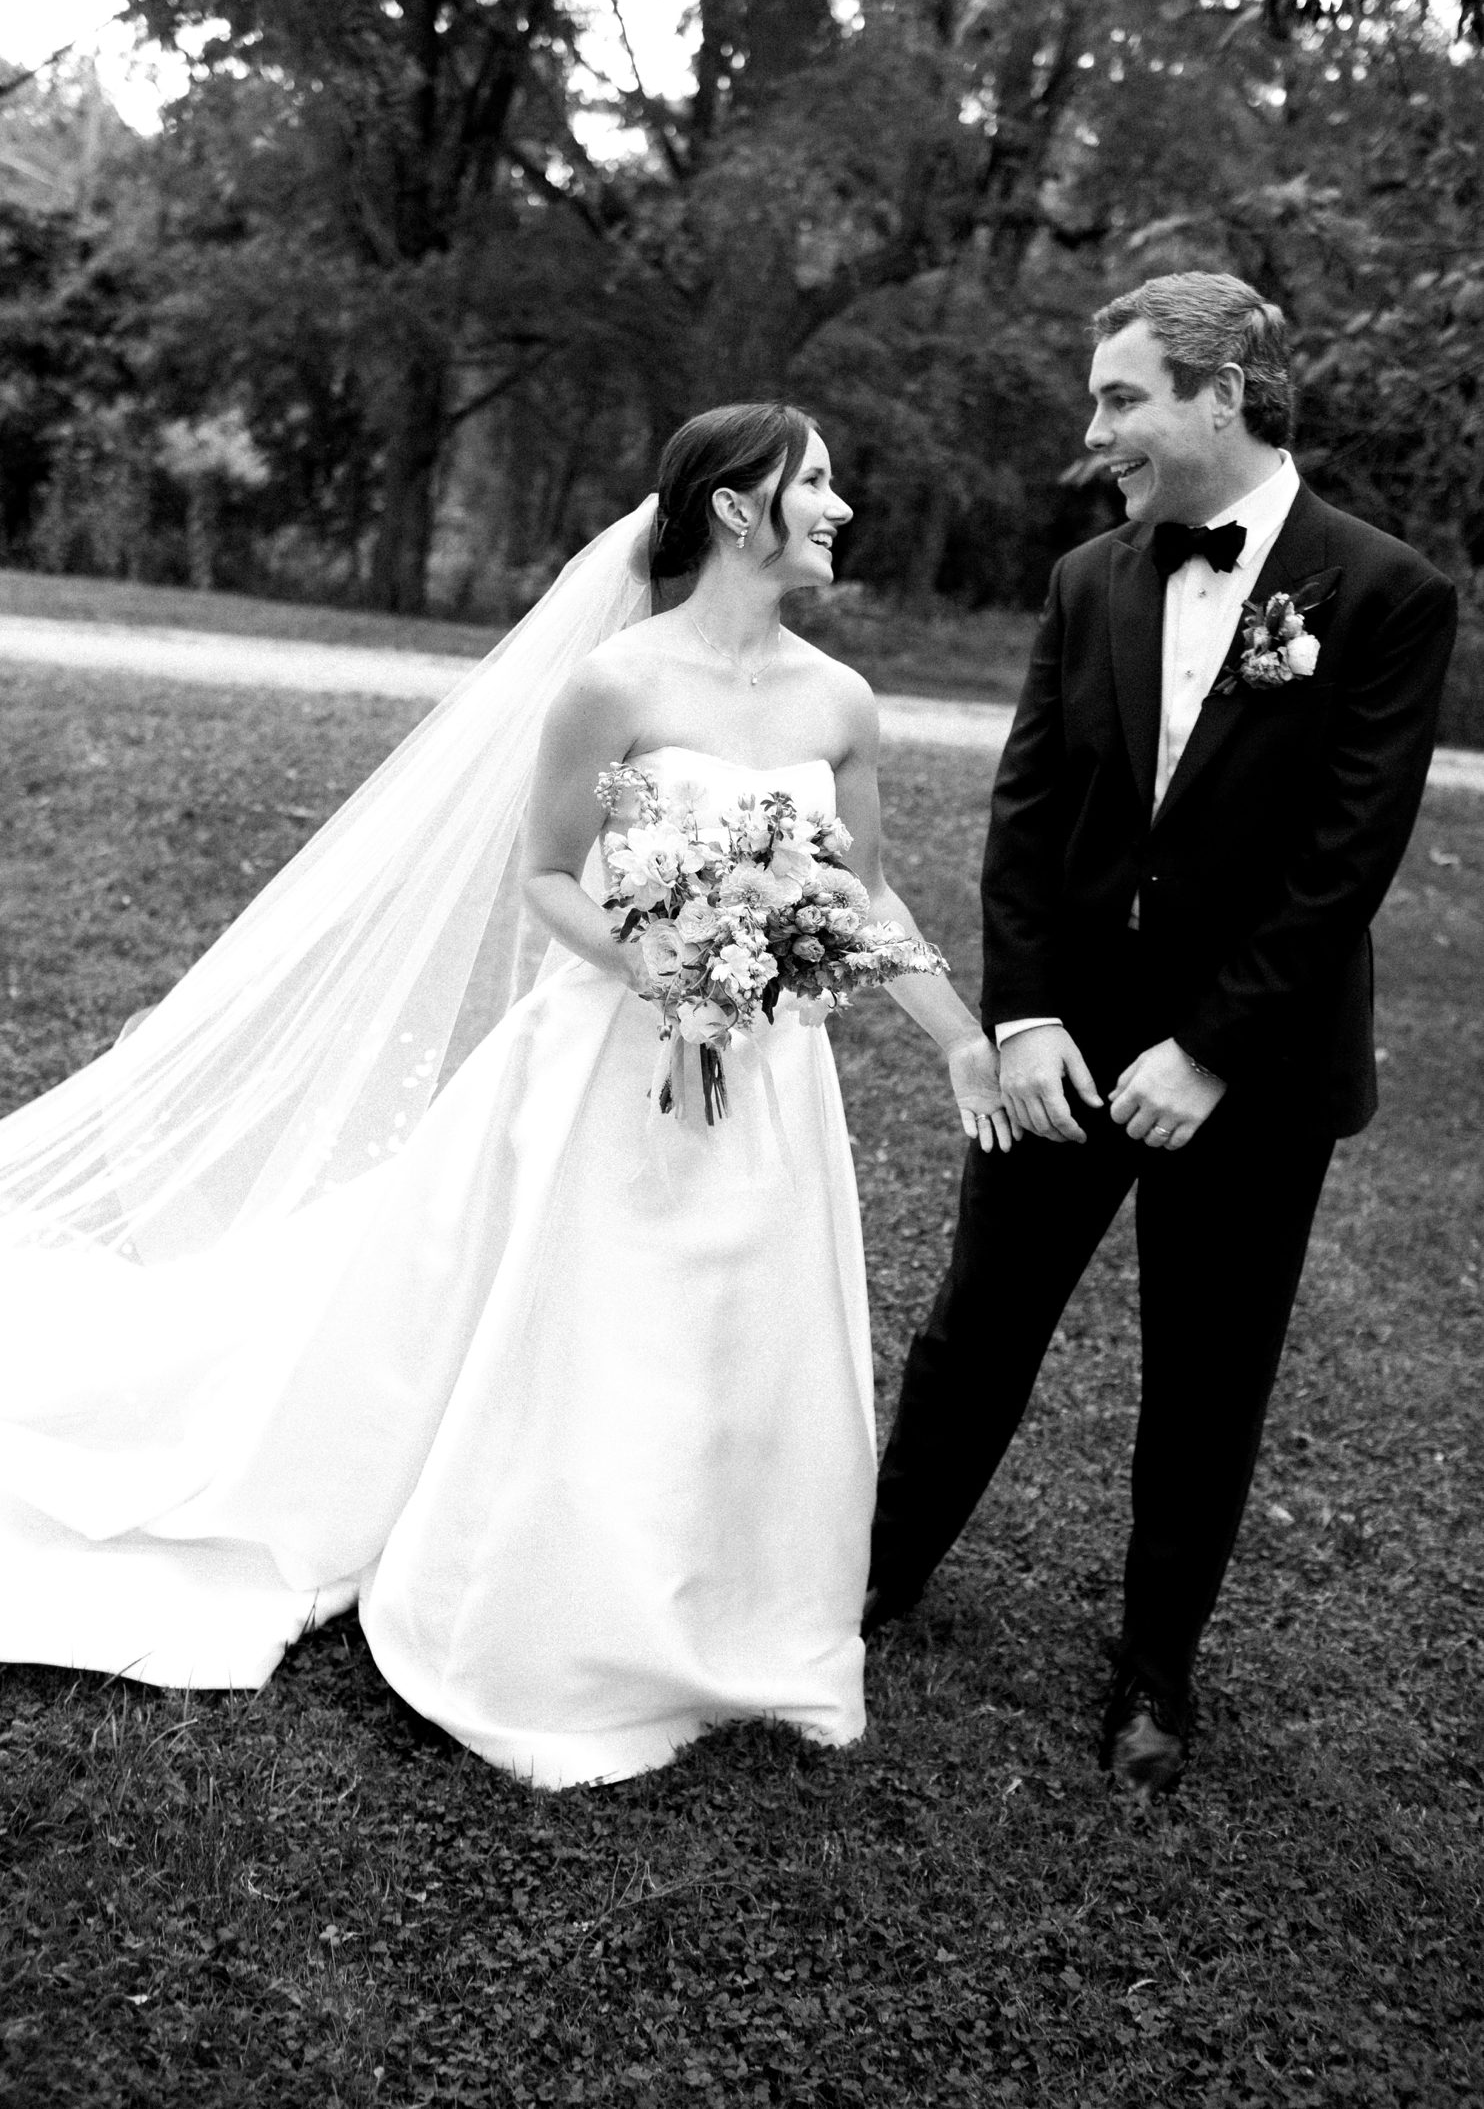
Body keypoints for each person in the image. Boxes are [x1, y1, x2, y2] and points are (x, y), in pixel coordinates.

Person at [0, 402, 1007, 1789]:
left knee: (743, 1324)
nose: (840, 507)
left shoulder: (841, 699)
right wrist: (653, 958)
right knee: (597, 1319)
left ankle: (731, 1596)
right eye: (818, 482)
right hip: (612, 1064)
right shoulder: (615, 684)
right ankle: (561, 1606)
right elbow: (546, 876)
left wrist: (959, 1037)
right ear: (737, 507)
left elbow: (866, 893)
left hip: (773, 1077)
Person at [864, 272, 1457, 1793]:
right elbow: (1028, 811)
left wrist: (1209, 1052)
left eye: (1123, 399)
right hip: (1066, 1045)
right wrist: (1026, 1016)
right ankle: (872, 1579)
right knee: (976, 1325)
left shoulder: (1385, 592)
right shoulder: (1088, 579)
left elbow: (1345, 857)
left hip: (1255, 1066)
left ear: (1225, 393)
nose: (1097, 432)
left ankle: (1154, 1671)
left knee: (1209, 1375)